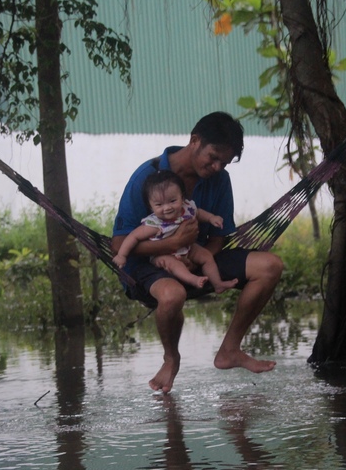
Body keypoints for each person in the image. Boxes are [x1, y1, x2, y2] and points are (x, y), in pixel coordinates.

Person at [112, 112, 283, 393]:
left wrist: (197, 258)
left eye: (224, 163)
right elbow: (119, 244)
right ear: (195, 140)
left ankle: (229, 350)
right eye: (213, 157)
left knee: (270, 266)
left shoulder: (220, 180)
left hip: (198, 258)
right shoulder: (148, 176)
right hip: (148, 264)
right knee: (172, 294)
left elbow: (219, 236)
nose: (217, 167)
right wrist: (171, 245)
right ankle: (171, 358)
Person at [112, 169, 239, 293]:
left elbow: (199, 213)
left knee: (206, 255)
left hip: (188, 247)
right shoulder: (154, 223)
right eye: (159, 205)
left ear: (182, 197)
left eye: (172, 201)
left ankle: (218, 284)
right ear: (150, 206)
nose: (167, 208)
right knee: (175, 265)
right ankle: (192, 279)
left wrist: (211, 218)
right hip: (163, 254)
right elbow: (133, 237)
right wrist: (122, 255)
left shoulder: (187, 208)